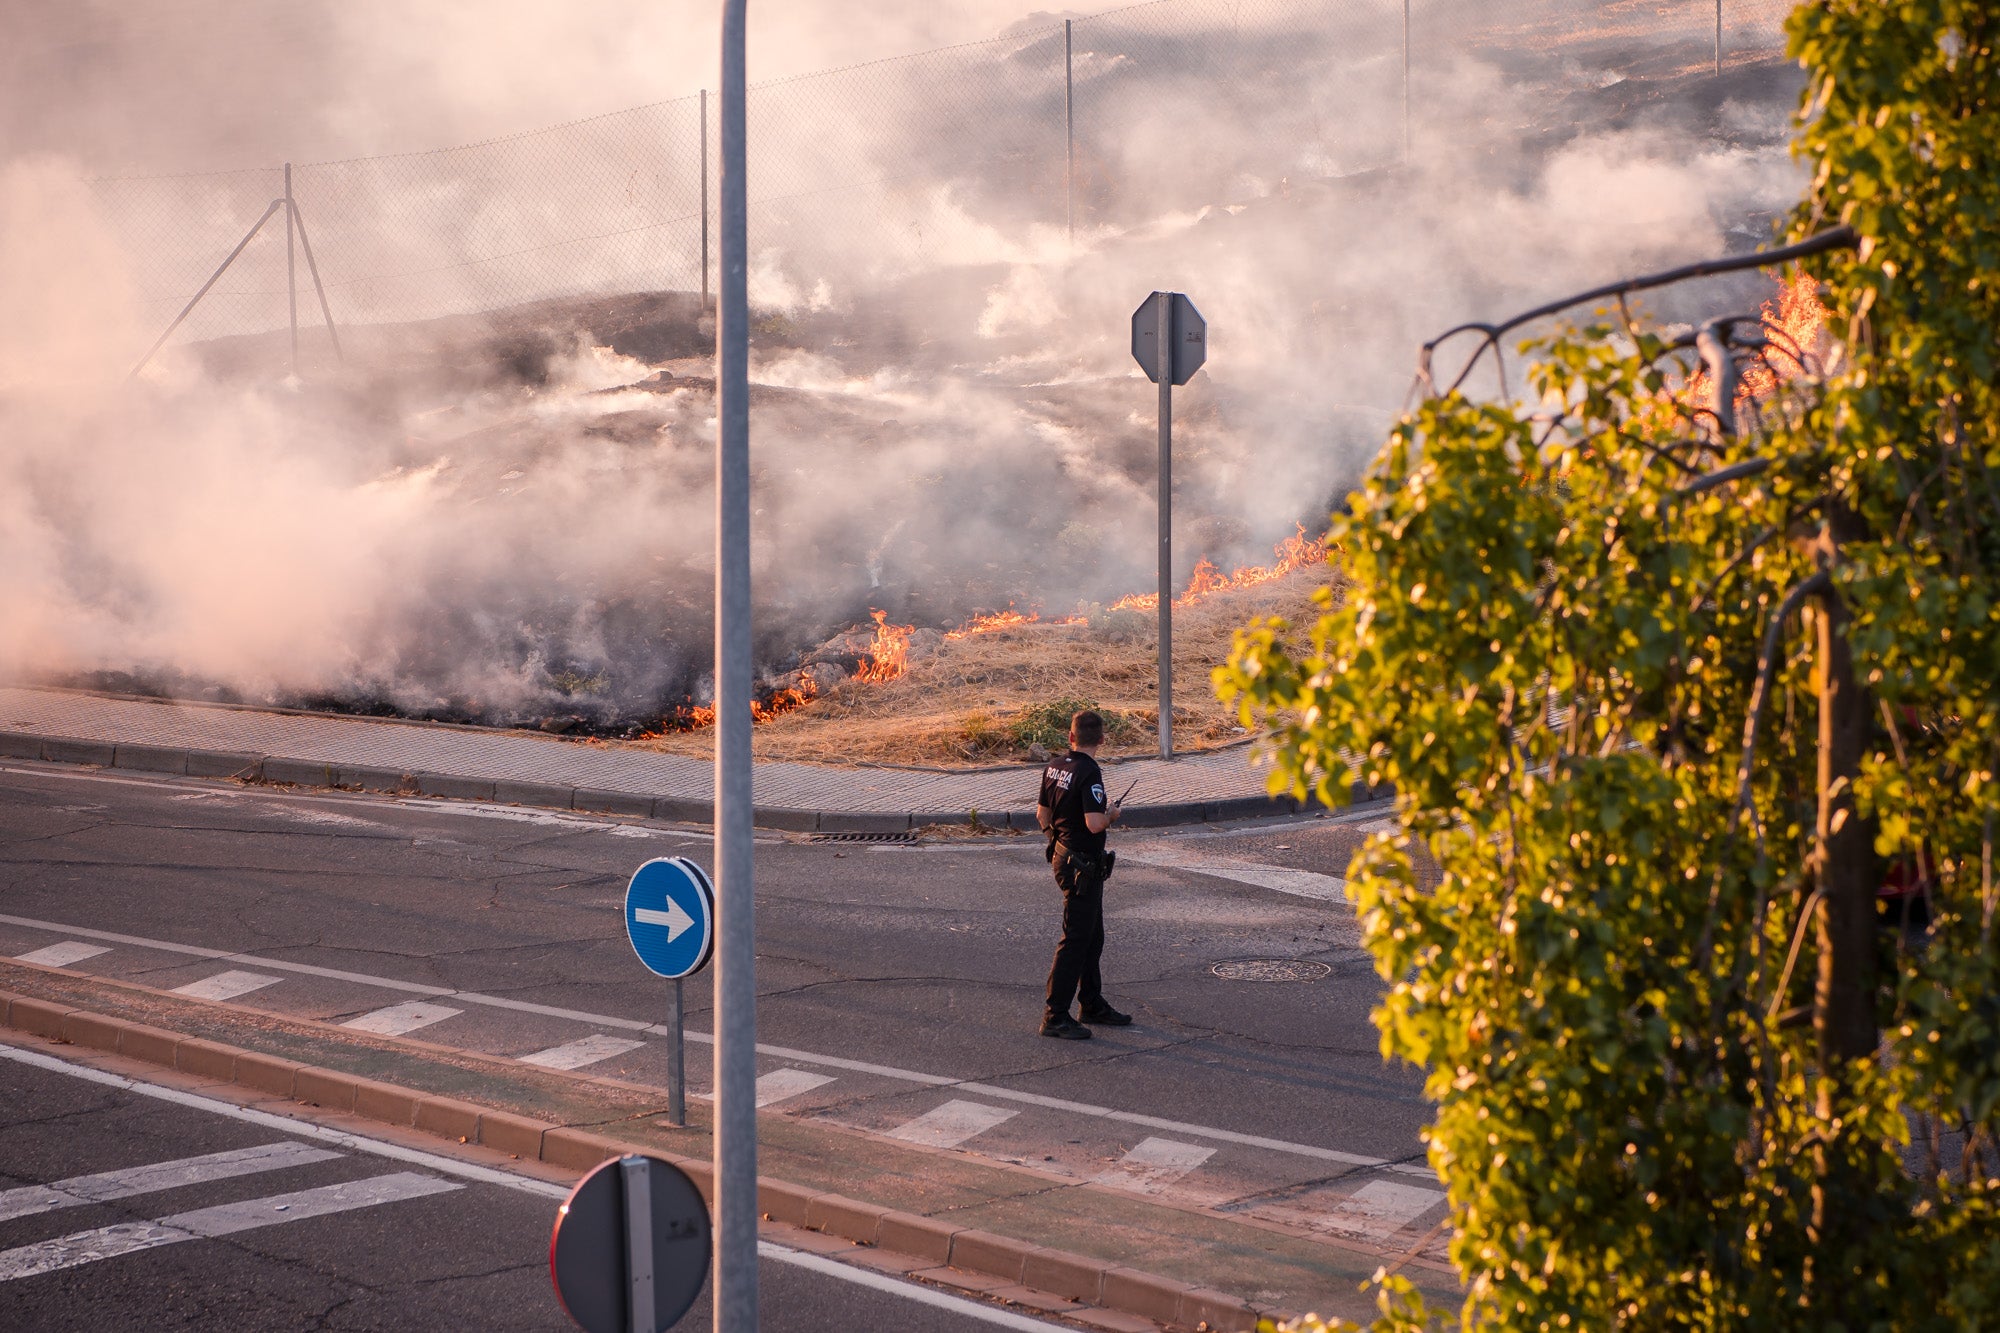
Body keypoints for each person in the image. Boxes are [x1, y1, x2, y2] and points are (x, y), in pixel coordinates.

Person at [1035, 710, 1132, 1039]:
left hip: (1067, 860)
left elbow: (1041, 814)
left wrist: (1057, 842)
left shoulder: (1053, 767)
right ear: (1102, 740)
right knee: (1076, 940)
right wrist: (1112, 815)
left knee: (1092, 936)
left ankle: (1091, 1002)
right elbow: (1094, 823)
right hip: (1081, 868)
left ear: (1071, 737)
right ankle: (1055, 1015)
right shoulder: (1090, 773)